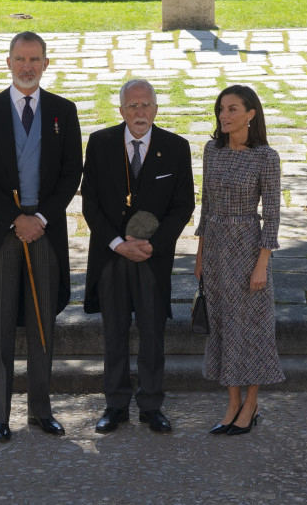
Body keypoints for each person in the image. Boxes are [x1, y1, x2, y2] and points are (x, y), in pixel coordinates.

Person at [0, 31, 82, 442]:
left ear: (46, 64)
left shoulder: (63, 112)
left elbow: (71, 172)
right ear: (9, 62)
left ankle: (40, 411)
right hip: (3, 231)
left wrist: (41, 218)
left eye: (34, 59)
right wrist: (16, 218)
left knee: (42, 325)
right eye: (20, 59)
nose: (27, 66)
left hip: (46, 230)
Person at [82, 79, 195, 434]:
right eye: (132, 106)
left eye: (146, 105)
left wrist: (153, 245)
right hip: (112, 256)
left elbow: (183, 205)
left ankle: (151, 405)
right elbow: (90, 203)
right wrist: (117, 243)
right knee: (114, 333)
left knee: (152, 333)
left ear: (156, 109)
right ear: (121, 111)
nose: (139, 112)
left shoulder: (176, 147)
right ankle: (115, 405)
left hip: (152, 258)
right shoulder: (100, 143)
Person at [194, 84, 285, 436]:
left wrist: (262, 264)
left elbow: (272, 216)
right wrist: (200, 256)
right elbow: (206, 207)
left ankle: (251, 404)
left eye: (232, 109)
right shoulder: (212, 151)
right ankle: (232, 404)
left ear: (251, 114)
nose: (224, 115)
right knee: (222, 325)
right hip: (215, 248)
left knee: (251, 328)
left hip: (248, 248)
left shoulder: (266, 157)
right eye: (221, 109)